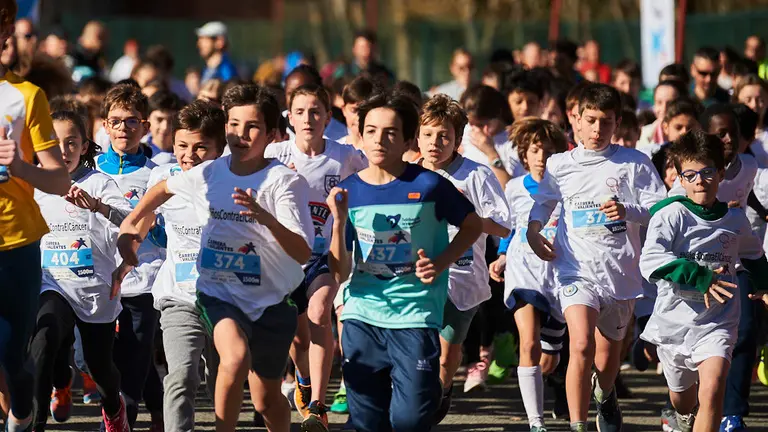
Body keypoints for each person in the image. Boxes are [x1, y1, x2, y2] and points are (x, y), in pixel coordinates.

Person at [118, 83, 313, 432]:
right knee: (234, 357)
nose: (241, 134)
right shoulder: (210, 172)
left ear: (271, 134)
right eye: (234, 125)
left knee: (266, 397)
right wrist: (132, 222)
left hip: (270, 301)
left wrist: (266, 219)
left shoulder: (285, 183)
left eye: (252, 127)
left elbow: (302, 251)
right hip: (218, 293)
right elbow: (164, 188)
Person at [325, 89, 482, 432]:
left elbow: (473, 225)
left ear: (409, 139)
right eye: (371, 131)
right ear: (360, 135)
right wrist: (338, 222)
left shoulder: (429, 185)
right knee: (367, 422)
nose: (379, 140)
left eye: (390, 132)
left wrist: (441, 262)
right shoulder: (350, 191)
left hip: (415, 317)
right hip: (362, 315)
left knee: (409, 420)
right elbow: (340, 271)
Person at [526, 83, 667, 432]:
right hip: (576, 271)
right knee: (582, 345)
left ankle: (606, 395)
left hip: (620, 274)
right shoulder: (559, 164)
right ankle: (578, 425)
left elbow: (659, 209)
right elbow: (543, 202)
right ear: (576, 119)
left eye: (605, 122)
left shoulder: (634, 162)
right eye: (590, 120)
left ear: (617, 122)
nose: (597, 129)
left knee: (606, 362)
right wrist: (533, 229)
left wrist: (627, 210)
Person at [641, 129, 768, 432]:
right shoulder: (671, 215)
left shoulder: (734, 219)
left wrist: (764, 286)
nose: (700, 180)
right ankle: (683, 415)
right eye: (691, 174)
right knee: (682, 399)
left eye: (707, 172)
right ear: (681, 179)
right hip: (675, 322)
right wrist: (701, 277)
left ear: (721, 173)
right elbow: (651, 259)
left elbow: (753, 254)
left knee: (712, 389)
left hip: (719, 321)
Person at [117, 100, 225, 431]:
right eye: (181, 146)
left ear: (220, 149)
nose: (188, 155)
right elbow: (143, 221)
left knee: (221, 381)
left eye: (200, 148)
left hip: (226, 298)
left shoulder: (234, 180)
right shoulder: (163, 176)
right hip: (178, 296)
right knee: (180, 377)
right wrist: (125, 254)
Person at [265, 83, 367, 431]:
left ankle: (318, 405)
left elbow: (378, 178)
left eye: (315, 112)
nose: (308, 118)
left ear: (327, 116)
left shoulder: (345, 155)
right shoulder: (276, 154)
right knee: (296, 335)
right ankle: (303, 378)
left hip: (324, 255)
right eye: (300, 112)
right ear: (289, 117)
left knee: (322, 313)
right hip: (283, 257)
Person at [31, 110, 132, 432]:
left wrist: (98, 207)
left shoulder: (101, 183)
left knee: (99, 366)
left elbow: (132, 224)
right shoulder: (32, 184)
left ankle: (114, 409)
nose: (63, 151)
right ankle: (34, 424)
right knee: (44, 341)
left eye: (71, 143)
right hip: (51, 282)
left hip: (94, 290)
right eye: (54, 143)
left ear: (85, 147)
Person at [414, 94, 510, 423]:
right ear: (417, 135)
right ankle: (418, 401)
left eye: (444, 135)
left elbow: (502, 225)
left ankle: (442, 388)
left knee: (446, 356)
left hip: (463, 278)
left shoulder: (475, 175)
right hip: (418, 276)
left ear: (458, 138)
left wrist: (465, 216)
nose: (434, 143)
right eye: (427, 134)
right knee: (416, 350)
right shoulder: (408, 174)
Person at [666, 105, 761, 432]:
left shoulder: (749, 165)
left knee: (745, 332)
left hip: (734, 262)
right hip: (691, 274)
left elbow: (745, 196)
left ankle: (731, 413)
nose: (729, 139)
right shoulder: (686, 182)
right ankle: (679, 404)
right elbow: (666, 218)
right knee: (685, 364)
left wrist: (757, 211)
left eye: (733, 132)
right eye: (720, 133)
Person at [0, 2, 71, 431]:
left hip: (15, 244)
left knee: (13, 358)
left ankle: (23, 410)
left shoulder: (26, 97)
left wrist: (20, 166)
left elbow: (60, 181)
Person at [488, 118, 568, 432]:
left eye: (549, 151)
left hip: (559, 274)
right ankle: (535, 423)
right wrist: (503, 255)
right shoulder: (514, 187)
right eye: (536, 150)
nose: (541, 157)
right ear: (524, 154)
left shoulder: (566, 186)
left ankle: (555, 379)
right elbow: (510, 226)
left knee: (548, 360)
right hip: (524, 271)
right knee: (528, 343)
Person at [97, 84, 165, 429]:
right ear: (105, 125)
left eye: (132, 122)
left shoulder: (157, 174)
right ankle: (159, 405)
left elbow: (164, 233)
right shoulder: (90, 169)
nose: (124, 128)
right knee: (99, 357)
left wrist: (138, 220)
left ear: (145, 127)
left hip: (143, 278)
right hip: (95, 280)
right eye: (116, 121)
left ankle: (122, 415)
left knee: (136, 354)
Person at [459, 84, 519, 186]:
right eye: (472, 124)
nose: (476, 130)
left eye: (481, 124)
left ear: (497, 117)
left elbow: (510, 191)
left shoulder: (514, 142)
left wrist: (491, 154)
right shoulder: (465, 132)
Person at [284, 65, 347, 142]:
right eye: (290, 93)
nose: (295, 98)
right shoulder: (275, 126)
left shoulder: (341, 135)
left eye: (302, 92)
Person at [637, 80, 687, 150]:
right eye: (659, 102)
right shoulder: (644, 133)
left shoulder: (687, 131)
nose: (664, 108)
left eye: (670, 103)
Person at [734, 74, 768, 167]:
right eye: (748, 100)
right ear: (737, 102)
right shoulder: (731, 136)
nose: (754, 105)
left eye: (760, 100)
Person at [144, 90, 185, 165]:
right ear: (148, 119)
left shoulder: (186, 155)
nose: (165, 127)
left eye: (171, 121)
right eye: (159, 119)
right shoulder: (137, 151)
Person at [339, 76, 377, 148]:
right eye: (354, 110)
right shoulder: (336, 149)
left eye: (364, 111)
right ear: (344, 110)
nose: (358, 117)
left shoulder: (381, 151)